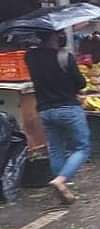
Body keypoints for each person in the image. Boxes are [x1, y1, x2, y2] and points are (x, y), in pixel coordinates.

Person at [25, 31, 89, 204]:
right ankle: (61, 180)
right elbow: (81, 83)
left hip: (45, 110)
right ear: (53, 36)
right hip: (68, 108)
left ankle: (61, 185)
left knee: (55, 148)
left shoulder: (30, 56)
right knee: (81, 147)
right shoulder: (64, 56)